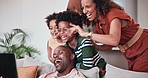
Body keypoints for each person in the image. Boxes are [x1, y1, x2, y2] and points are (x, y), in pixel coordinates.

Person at [70, 0, 148, 72]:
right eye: (82, 8)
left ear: (98, 5)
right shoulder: (98, 24)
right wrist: (95, 46)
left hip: (144, 47)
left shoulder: (113, 14)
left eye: (88, 6)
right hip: (131, 55)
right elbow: (108, 46)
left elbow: (114, 40)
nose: (84, 11)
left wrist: (87, 34)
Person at [56, 11, 106, 77]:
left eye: (65, 29)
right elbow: (66, 67)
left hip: (102, 72)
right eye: (59, 30)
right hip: (86, 73)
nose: (61, 32)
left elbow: (88, 66)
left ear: (75, 30)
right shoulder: (66, 47)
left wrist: (74, 66)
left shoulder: (85, 42)